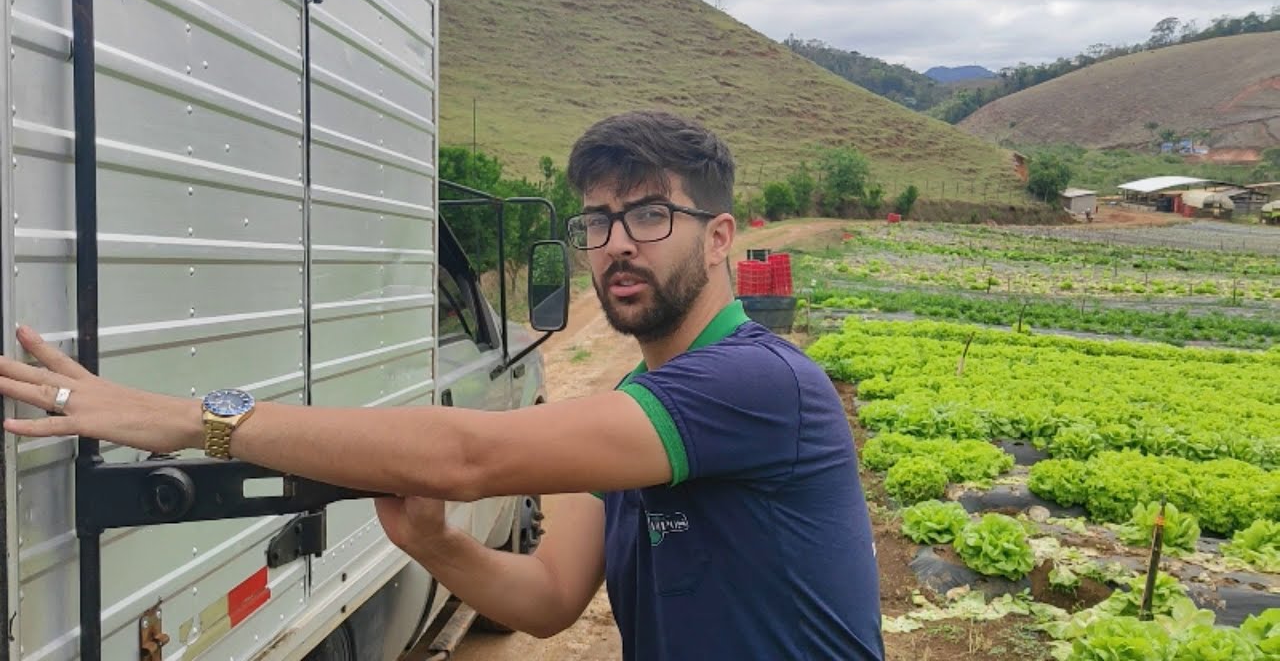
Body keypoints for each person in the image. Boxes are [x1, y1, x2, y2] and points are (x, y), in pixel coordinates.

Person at [2, 110, 884, 660]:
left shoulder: (757, 384)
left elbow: (462, 452)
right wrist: (436, 546)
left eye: (651, 214)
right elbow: (550, 602)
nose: (617, 242)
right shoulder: (626, 412)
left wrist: (193, 420)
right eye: (599, 219)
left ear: (721, 236)